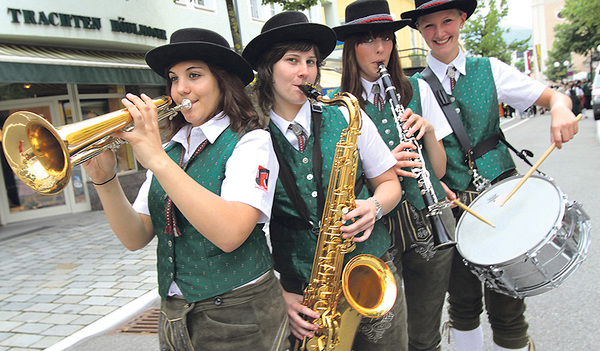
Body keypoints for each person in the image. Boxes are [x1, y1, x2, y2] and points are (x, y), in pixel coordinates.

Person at [82, 28, 289, 350]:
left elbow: (231, 232)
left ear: (223, 80)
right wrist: (104, 180)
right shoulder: (170, 149)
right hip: (174, 313)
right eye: (173, 78)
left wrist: (157, 161)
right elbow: (135, 237)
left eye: (194, 75)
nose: (181, 89)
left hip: (240, 314)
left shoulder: (251, 141)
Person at [402, 0, 579, 350]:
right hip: (454, 211)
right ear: (419, 31)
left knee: (509, 303)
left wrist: (561, 110)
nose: (440, 33)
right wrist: (434, 183)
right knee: (464, 304)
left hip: (505, 198)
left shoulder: (490, 69)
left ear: (462, 20)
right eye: (429, 26)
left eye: (448, 21)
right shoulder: (412, 88)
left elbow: (555, 97)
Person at [243, 11, 407, 350]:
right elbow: (242, 229)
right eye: (292, 60)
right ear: (267, 68)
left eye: (311, 61)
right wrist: (278, 293)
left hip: (370, 269)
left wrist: (374, 206)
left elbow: (391, 184)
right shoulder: (246, 135)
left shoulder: (348, 114)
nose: (305, 72)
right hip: (302, 290)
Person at [331, 1, 456, 350]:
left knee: (425, 334)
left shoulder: (418, 89)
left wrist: (427, 131)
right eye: (368, 40)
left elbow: (440, 169)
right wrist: (383, 166)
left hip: (429, 222)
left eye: (386, 39)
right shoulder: (340, 108)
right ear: (352, 48)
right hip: (377, 233)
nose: (380, 49)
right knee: (388, 337)